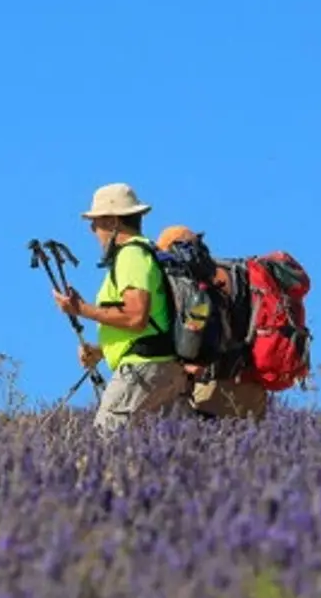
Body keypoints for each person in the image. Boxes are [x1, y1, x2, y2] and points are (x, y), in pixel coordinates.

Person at [51, 183, 187, 435]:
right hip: (162, 367)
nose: (93, 230)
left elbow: (136, 317)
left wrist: (80, 309)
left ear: (113, 222)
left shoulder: (131, 256)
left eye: (96, 223)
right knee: (163, 446)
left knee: (106, 441)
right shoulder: (145, 253)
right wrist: (102, 350)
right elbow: (150, 324)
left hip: (142, 370)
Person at [155, 225, 271, 423]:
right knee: (250, 442)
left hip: (215, 389)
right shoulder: (237, 273)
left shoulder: (193, 287)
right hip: (253, 387)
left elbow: (195, 337)